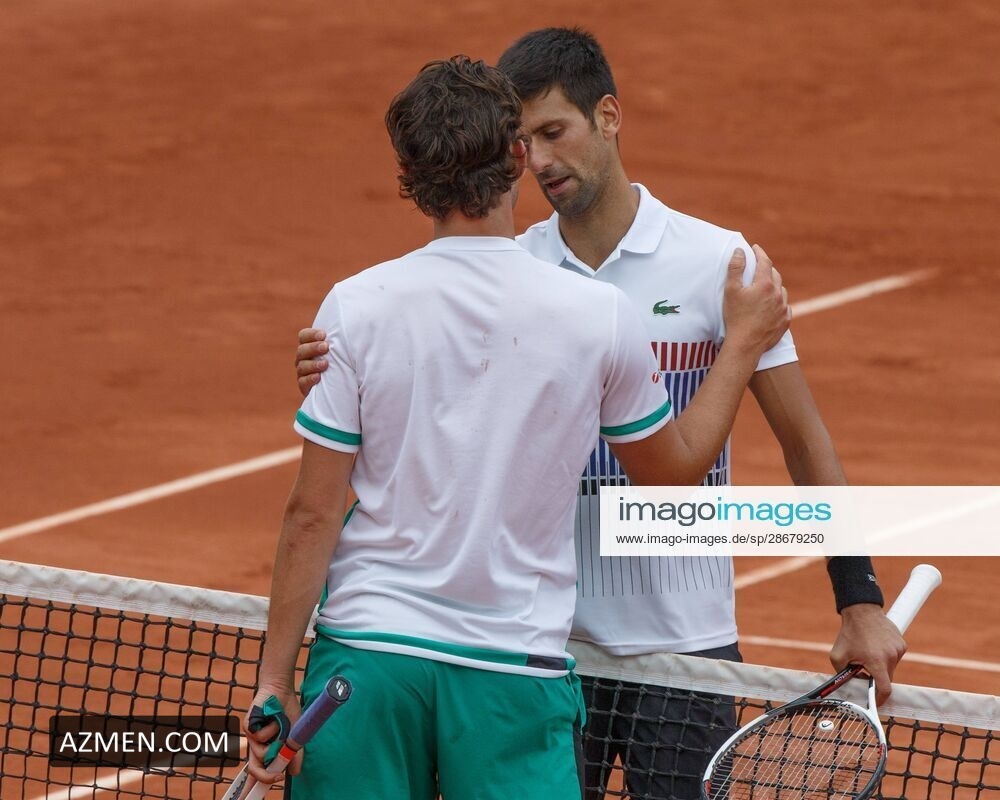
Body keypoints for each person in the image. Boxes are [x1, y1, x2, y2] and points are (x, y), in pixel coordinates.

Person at [295, 28, 907, 800]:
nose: (541, 160)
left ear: (609, 116)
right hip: (545, 650)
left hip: (684, 647)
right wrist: (326, 367)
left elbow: (804, 443)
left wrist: (859, 599)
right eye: (525, 142)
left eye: (556, 131)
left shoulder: (721, 267)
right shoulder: (509, 267)